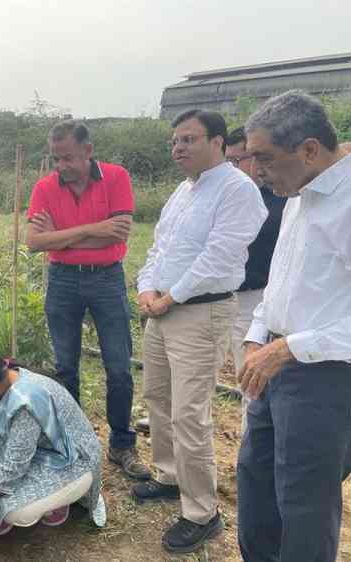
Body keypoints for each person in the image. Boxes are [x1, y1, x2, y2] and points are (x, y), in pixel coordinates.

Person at [134, 109, 266, 554]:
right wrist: (146, 288)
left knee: (190, 412)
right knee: (158, 397)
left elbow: (219, 256)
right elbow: (159, 247)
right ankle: (170, 476)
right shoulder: (182, 190)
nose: (179, 148)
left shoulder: (237, 190)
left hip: (199, 312)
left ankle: (202, 512)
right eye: (175, 141)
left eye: (189, 139)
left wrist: (170, 297)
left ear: (218, 142)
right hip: (163, 309)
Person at [238, 90, 351, 562]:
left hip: (322, 374)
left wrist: (288, 348)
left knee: (304, 500)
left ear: (308, 149)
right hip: (273, 364)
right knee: (254, 481)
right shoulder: (298, 198)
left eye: (264, 158)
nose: (256, 170)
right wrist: (255, 336)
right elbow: (279, 282)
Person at [25, 120, 149, 481]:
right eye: (55, 158)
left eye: (68, 158)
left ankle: (122, 444)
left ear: (88, 151)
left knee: (119, 366)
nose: (61, 166)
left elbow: (118, 235)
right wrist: (94, 231)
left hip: (107, 279)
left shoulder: (116, 178)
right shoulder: (45, 187)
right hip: (62, 282)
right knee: (65, 367)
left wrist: (59, 237)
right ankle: (73, 443)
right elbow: (33, 242)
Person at [0, 349, 104, 537]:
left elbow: (13, 468)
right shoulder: (4, 382)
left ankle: (58, 501)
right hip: (43, 449)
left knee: (15, 512)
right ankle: (24, 499)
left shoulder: (25, 401)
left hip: (75, 461)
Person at [224, 126, 286, 433]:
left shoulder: (283, 195)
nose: (235, 168)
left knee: (252, 375)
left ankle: (252, 440)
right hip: (224, 295)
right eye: (229, 161)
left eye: (240, 159)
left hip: (259, 297)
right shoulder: (230, 195)